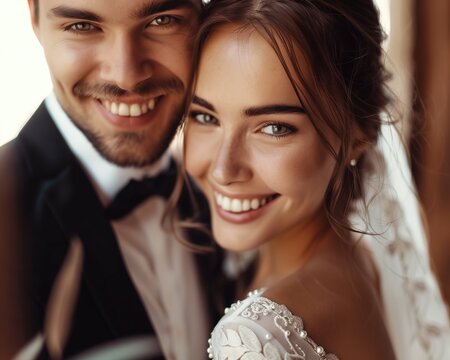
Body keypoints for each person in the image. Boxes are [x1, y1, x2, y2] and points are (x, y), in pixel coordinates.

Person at [183, 0, 450, 359]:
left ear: (358, 136)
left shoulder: (253, 338)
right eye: (204, 117)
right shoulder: (360, 259)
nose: (222, 170)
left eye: (274, 128)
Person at [1, 0, 220, 359]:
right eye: (81, 27)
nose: (126, 75)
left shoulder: (231, 186)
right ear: (34, 20)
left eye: (162, 20)